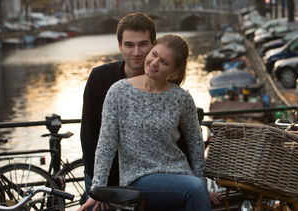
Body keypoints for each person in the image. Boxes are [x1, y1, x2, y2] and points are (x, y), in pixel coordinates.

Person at [78, 35, 219, 211]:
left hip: (181, 176)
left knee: (195, 193)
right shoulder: (118, 92)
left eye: (164, 62)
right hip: (139, 177)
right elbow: (107, 142)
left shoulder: (182, 98)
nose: (154, 63)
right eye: (154, 54)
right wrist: (97, 188)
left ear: (174, 70)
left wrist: (201, 185)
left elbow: (195, 142)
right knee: (195, 191)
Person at [80, 12, 157, 197]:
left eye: (143, 44)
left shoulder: (164, 81)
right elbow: (89, 133)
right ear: (120, 46)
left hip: (146, 177)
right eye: (129, 45)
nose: (136, 52)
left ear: (153, 45)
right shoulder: (99, 78)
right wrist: (100, 185)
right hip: (104, 175)